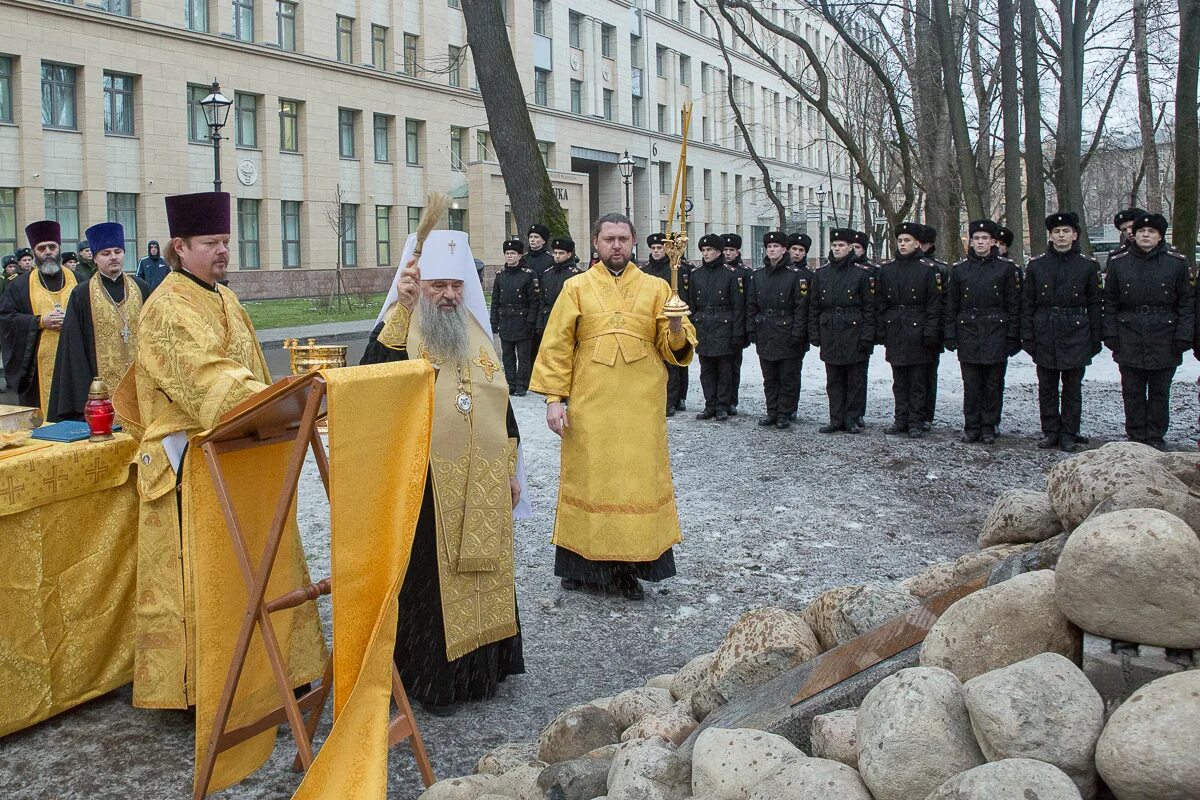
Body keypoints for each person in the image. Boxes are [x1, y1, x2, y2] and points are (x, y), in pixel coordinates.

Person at [126, 191, 323, 708]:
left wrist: (281, 403)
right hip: (189, 461)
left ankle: (275, 668)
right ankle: (207, 687)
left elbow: (253, 370)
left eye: (225, 242)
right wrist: (288, 399)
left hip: (241, 449)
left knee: (261, 562)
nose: (222, 251)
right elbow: (211, 383)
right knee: (211, 577)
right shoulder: (167, 307)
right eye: (211, 242)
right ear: (179, 246)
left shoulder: (224, 297)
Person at [362, 229, 525, 715]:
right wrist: (402, 309)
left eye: (458, 285)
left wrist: (513, 468)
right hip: (427, 480)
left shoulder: (475, 332)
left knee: (488, 572)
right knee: (432, 584)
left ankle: (485, 669)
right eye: (439, 286)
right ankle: (435, 679)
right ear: (420, 284)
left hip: (488, 476)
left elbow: (504, 404)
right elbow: (369, 385)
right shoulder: (402, 327)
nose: (450, 295)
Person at [530, 212, 696, 600]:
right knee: (589, 481)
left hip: (640, 408)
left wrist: (674, 327)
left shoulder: (657, 288)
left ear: (633, 241)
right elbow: (556, 345)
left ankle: (629, 569)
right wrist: (555, 399)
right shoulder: (576, 287)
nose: (616, 245)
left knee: (637, 483)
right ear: (596, 243)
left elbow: (677, 351)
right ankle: (580, 567)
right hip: (591, 406)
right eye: (609, 239)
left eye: (623, 238)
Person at [1103, 211, 1193, 450]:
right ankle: (1135, 434)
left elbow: (1186, 303)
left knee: (1159, 391)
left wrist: (1184, 336)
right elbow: (1109, 301)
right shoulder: (1118, 262)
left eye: (1151, 232)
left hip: (1164, 333)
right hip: (1129, 333)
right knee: (1131, 389)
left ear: (1160, 236)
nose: (1145, 235)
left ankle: (1155, 434)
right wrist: (1110, 333)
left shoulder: (1177, 263)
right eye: (1141, 231)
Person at [47, 222, 150, 422]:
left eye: (118, 251)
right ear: (94, 257)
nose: (113, 257)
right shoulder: (82, 293)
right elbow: (74, 350)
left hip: (141, 388)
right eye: (106, 253)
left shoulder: (141, 287)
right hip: (100, 390)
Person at [1020, 212, 1102, 453]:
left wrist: (1095, 337)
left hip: (1076, 330)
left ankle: (1069, 432)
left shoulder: (1088, 266)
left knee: (1072, 387)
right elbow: (1028, 303)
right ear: (1051, 236)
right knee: (1046, 386)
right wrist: (1028, 335)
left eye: (1066, 231)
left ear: (1075, 235)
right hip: (1045, 329)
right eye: (1057, 232)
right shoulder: (1037, 265)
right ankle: (1050, 431)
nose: (1061, 236)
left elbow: (1096, 305)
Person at [944, 219, 1021, 445]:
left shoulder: (1006, 269)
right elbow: (951, 305)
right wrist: (950, 333)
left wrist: (1012, 337)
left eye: (985, 238)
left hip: (996, 331)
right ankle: (972, 426)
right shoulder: (959, 270)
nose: (980, 242)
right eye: (976, 238)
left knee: (993, 382)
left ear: (993, 241)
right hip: (968, 331)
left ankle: (989, 425)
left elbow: (1013, 305)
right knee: (971, 383)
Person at [0, 220, 78, 414]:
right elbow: (6, 319)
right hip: (36, 372)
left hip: (75, 362)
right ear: (34, 252)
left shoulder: (80, 281)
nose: (48, 252)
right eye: (42, 248)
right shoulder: (19, 285)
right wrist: (41, 321)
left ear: (59, 249)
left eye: (52, 247)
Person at [877, 222, 944, 438]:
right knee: (899, 381)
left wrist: (930, 331)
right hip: (896, 329)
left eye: (908, 241)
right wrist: (883, 328)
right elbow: (881, 303)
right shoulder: (887, 270)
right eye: (900, 240)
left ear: (917, 243)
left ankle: (916, 420)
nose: (903, 244)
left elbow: (934, 305)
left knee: (917, 381)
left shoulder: (929, 269)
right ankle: (901, 419)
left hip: (918, 329)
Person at [809, 228, 876, 434]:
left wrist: (867, 336)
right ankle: (835, 418)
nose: (837, 249)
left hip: (854, 332)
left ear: (849, 248)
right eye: (835, 245)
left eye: (841, 246)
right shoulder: (822, 274)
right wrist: (815, 333)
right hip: (830, 330)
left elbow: (870, 308)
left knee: (855, 379)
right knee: (834, 380)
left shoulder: (862, 274)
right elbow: (814, 306)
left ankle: (852, 419)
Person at [746, 230, 809, 429]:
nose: (772, 250)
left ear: (784, 250)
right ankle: (772, 412)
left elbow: (801, 308)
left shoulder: (795, 276)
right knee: (770, 378)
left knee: (787, 377)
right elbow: (751, 305)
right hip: (765, 331)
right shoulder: (757, 276)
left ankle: (784, 413)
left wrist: (797, 333)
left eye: (776, 247)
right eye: (769, 247)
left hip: (787, 331)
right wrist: (753, 330)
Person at [686, 233, 745, 421]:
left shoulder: (730, 274)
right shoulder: (695, 275)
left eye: (709, 250)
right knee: (706, 370)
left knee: (724, 370)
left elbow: (738, 307)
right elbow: (692, 304)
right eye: (703, 250)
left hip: (723, 327)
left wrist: (737, 334)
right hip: (703, 326)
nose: (706, 253)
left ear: (718, 252)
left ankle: (722, 405)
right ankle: (709, 405)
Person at [641, 232, 692, 415]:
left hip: (673, 318)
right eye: (653, 248)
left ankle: (674, 399)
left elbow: (686, 294)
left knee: (674, 360)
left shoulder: (676, 267)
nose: (656, 251)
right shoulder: (644, 271)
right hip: (652, 317)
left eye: (659, 248)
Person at [490, 238, 539, 396]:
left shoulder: (528, 275)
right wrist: (494, 321)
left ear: (519, 256)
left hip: (522, 320)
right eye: (507, 253)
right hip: (506, 320)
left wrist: (531, 321)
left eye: (513, 254)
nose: (509, 256)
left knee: (523, 356)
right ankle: (510, 383)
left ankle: (522, 385)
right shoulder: (500, 275)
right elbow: (495, 300)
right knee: (508, 355)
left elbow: (534, 301)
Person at [916, 224, 949, 430]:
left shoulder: (938, 268)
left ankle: (927, 412)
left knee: (929, 373)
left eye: (923, 243)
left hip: (932, 326)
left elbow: (942, 301)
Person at [721, 233, 750, 415]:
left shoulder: (744, 273)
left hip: (736, 324)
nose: (728, 253)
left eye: (731, 250)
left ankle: (732, 399)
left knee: (734, 366)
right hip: (722, 326)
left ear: (738, 252)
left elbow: (746, 302)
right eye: (725, 250)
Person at [537, 236, 584, 347]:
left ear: (569, 254)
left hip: (568, 322)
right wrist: (539, 324)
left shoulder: (577, 274)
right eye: (555, 253)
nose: (557, 256)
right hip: (549, 320)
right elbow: (541, 301)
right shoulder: (547, 273)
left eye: (561, 253)